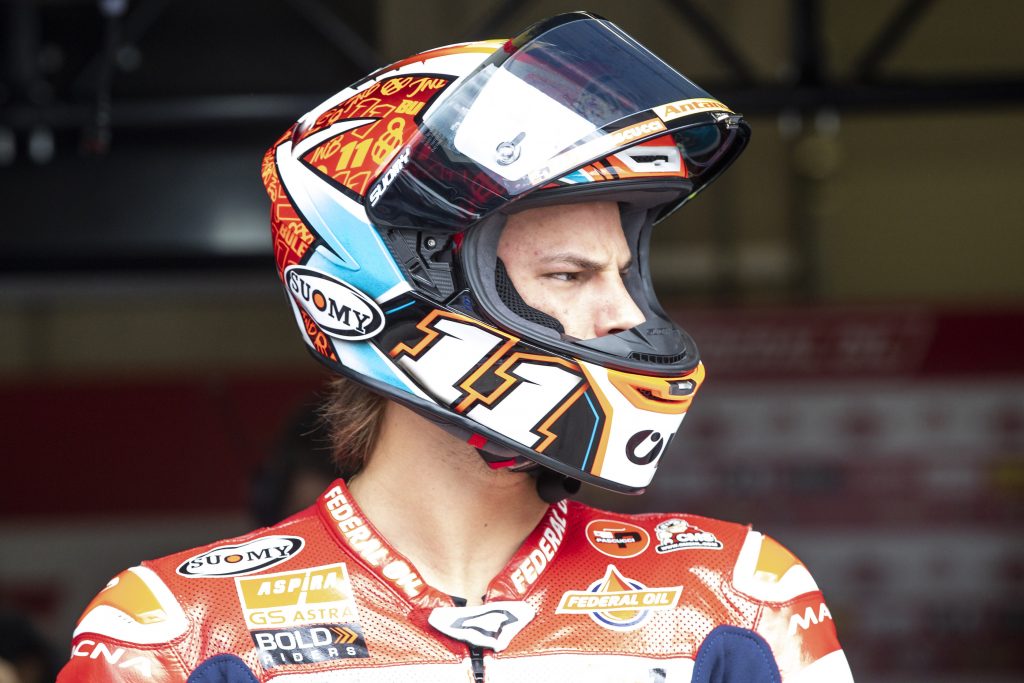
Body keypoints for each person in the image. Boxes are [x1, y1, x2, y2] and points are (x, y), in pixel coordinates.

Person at [57, 12, 853, 682]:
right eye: (569, 274)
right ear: (411, 287)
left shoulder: (734, 595)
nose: (622, 313)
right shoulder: (179, 632)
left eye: (623, 274)